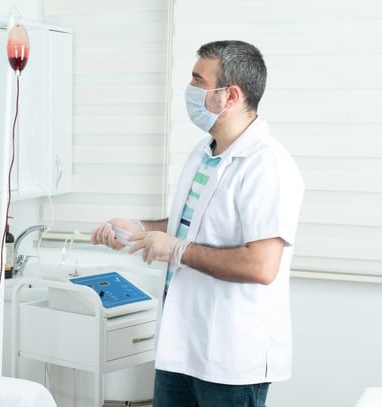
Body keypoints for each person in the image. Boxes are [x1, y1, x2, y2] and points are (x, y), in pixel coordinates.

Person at [91, 40, 304, 407]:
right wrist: (142, 228)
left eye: (198, 81)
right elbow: (191, 222)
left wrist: (176, 249)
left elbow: (261, 264)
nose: (189, 91)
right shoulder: (205, 151)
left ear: (230, 95)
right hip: (182, 348)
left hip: (231, 359)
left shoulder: (267, 165)